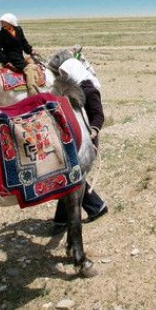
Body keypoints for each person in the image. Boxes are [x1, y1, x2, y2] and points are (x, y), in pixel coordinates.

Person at [52, 48, 108, 231]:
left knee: (72, 177)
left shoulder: (90, 91)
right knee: (70, 177)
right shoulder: (70, 92)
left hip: (88, 140)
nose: (64, 78)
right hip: (73, 138)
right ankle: (62, 219)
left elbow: (98, 115)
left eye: (66, 74)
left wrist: (93, 130)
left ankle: (95, 207)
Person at [0, 13, 43, 96]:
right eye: (2, 22)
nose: (2, 24)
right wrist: (6, 62)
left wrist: (31, 51)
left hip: (20, 58)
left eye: (4, 22)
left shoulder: (18, 30)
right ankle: (33, 93)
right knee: (30, 69)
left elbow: (24, 43)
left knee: (38, 64)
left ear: (10, 22)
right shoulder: (0, 34)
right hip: (10, 60)